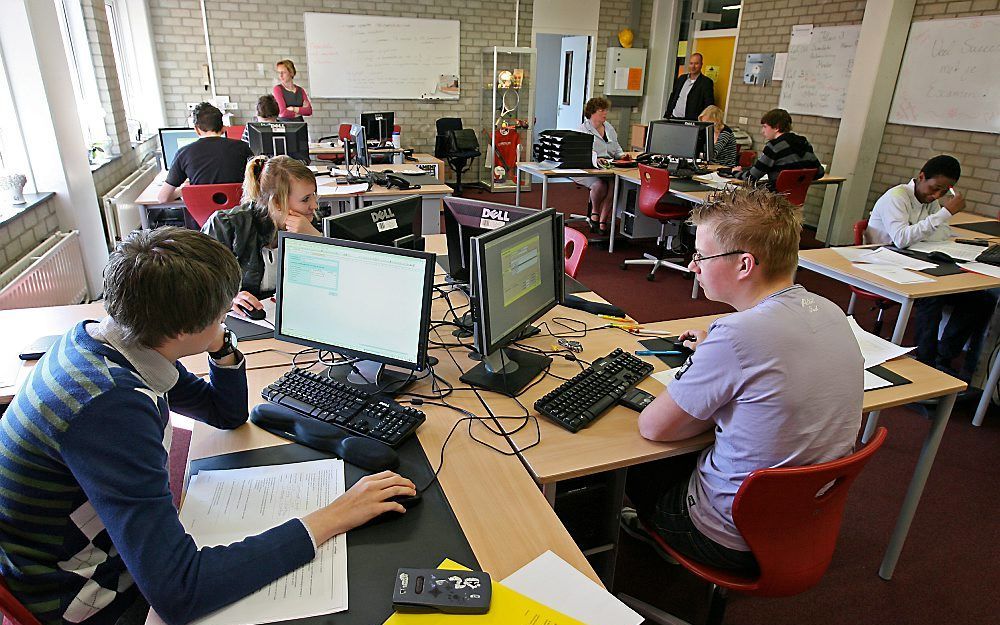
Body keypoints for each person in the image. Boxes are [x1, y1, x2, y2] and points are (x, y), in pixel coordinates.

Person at [0, 228, 414, 625]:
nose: (227, 320)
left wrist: (217, 340)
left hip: (106, 546)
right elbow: (181, 592)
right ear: (182, 329)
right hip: (84, 596)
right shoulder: (108, 406)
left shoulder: (113, 340)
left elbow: (224, 413)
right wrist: (332, 517)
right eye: (221, 315)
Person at [621, 186, 863, 573]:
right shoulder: (829, 310)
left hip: (728, 537)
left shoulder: (737, 335)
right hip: (800, 523)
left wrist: (712, 359)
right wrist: (714, 357)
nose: (692, 266)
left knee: (623, 463)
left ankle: (654, 537)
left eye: (700, 254)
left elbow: (655, 427)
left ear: (745, 264)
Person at [865, 155, 994, 381]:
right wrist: (945, 213)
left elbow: (940, 233)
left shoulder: (929, 200)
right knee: (930, 296)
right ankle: (925, 362)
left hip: (913, 261)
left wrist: (935, 220)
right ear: (921, 177)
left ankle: (944, 356)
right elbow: (902, 239)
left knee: (981, 299)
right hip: (883, 263)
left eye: (943, 192)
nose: (936, 196)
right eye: (934, 189)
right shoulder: (897, 197)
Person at [202, 155, 322, 316]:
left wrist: (316, 238)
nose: (314, 205)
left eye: (314, 194)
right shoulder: (227, 225)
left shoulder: (308, 224)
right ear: (277, 203)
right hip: (237, 318)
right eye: (306, 199)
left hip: (286, 314)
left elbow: (329, 284)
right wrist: (230, 298)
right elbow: (198, 284)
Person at [157, 102, 254, 203]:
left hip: (203, 218)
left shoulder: (184, 153)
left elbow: (163, 198)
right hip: (239, 215)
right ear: (222, 128)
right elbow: (258, 184)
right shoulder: (242, 148)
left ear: (196, 130)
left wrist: (184, 190)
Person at [736, 108, 823, 190]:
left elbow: (751, 178)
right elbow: (820, 172)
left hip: (774, 199)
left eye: (765, 127)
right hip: (797, 200)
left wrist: (735, 172)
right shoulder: (804, 143)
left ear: (777, 127)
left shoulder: (774, 146)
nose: (762, 131)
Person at [577, 96, 627, 234]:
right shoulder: (583, 130)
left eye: (606, 110)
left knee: (614, 185)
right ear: (592, 112)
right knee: (600, 185)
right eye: (601, 110)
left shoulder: (609, 128)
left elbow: (616, 148)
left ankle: (603, 221)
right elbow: (582, 153)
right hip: (588, 168)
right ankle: (594, 213)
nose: (605, 113)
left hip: (608, 168)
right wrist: (596, 159)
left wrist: (622, 156)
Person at [664, 53, 715, 121]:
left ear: (701, 65)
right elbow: (673, 96)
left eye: (696, 63)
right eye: (691, 63)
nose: (693, 66)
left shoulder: (706, 82)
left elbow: (709, 105)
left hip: (691, 121)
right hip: (674, 117)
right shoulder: (681, 78)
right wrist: (668, 114)